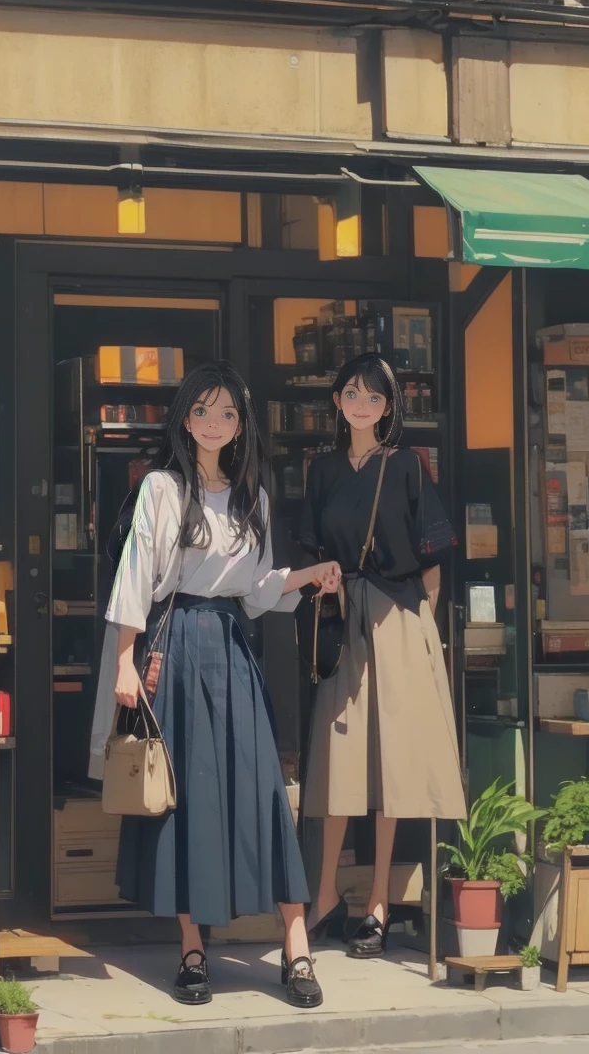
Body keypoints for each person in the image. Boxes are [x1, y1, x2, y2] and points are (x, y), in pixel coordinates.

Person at [89, 361, 342, 1008]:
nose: (213, 423)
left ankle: (296, 947)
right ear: (184, 417)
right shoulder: (161, 490)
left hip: (231, 650)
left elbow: (254, 590)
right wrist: (122, 661)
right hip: (173, 649)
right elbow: (135, 578)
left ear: (241, 424)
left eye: (226, 412)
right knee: (185, 800)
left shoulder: (253, 494)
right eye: (202, 410)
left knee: (260, 791)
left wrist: (308, 575)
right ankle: (193, 948)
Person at [300, 352, 466, 957]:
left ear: (389, 407)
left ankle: (377, 903)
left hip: (398, 616)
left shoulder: (406, 467)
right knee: (342, 754)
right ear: (337, 402)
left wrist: (425, 636)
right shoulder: (320, 470)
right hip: (344, 616)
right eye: (351, 394)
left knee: (393, 764)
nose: (361, 405)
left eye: (373, 397)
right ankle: (324, 895)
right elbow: (307, 543)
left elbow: (433, 561)